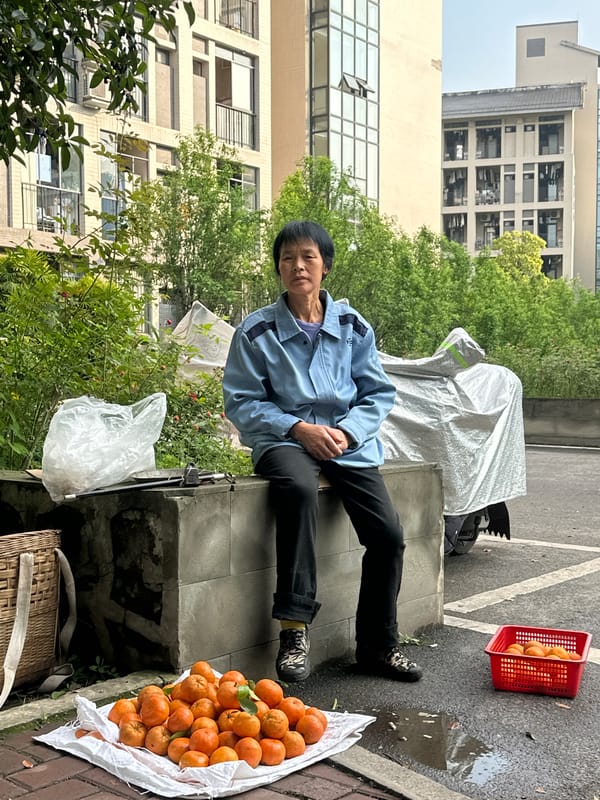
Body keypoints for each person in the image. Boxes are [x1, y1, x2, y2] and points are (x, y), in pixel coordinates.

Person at [222, 220, 422, 684]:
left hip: (345, 442)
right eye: (288, 258)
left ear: (325, 265)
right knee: (296, 489)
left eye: (308, 257)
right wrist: (296, 427)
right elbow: (241, 401)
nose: (298, 266)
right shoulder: (256, 331)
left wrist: (349, 433)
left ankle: (377, 647)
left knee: (388, 534)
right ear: (278, 267)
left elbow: (377, 392)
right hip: (283, 439)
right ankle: (294, 632)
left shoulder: (352, 326)